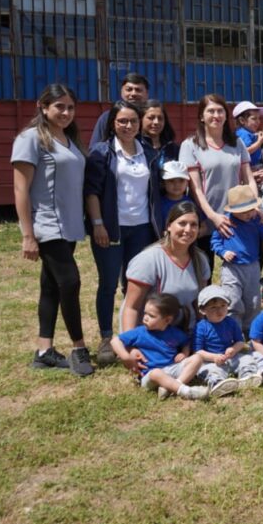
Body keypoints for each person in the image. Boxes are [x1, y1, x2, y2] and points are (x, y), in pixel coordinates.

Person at [11, 83, 93, 376]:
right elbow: (21, 189)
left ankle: (44, 350)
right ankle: (79, 348)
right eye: (59, 106)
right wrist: (28, 235)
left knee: (51, 286)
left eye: (70, 107)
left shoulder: (69, 139)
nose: (66, 112)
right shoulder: (30, 139)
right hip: (47, 226)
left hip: (69, 226)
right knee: (70, 282)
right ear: (43, 107)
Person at [84, 99, 160, 365]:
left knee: (136, 285)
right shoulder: (101, 152)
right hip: (112, 229)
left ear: (140, 124)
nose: (128, 126)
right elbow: (92, 192)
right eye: (122, 121)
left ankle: (134, 333)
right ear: (113, 124)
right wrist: (98, 224)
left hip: (142, 230)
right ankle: (106, 337)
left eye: (133, 121)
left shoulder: (148, 152)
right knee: (107, 284)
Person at [179, 93, 255, 272]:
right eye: (210, 111)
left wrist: (253, 206)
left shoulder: (237, 143)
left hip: (236, 219)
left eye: (220, 111)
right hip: (205, 220)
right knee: (203, 273)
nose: (216, 115)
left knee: (238, 272)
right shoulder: (190, 145)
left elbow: (249, 178)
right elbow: (195, 188)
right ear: (201, 116)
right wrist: (213, 217)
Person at [121, 201, 211, 335]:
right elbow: (131, 308)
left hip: (186, 333)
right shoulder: (148, 259)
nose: (188, 230)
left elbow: (200, 305)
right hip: (151, 335)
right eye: (182, 223)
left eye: (194, 225)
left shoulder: (200, 260)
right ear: (169, 226)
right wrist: (131, 344)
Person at [111, 293, 208, 400]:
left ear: (167, 320)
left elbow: (186, 343)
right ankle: (186, 391)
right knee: (156, 373)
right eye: (145, 313)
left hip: (171, 368)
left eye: (151, 316)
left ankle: (173, 386)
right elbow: (115, 341)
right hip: (149, 376)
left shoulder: (175, 333)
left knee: (197, 358)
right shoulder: (140, 332)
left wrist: (184, 353)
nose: (145, 318)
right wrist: (126, 357)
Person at [210, 186, 263, 333]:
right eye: (244, 211)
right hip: (231, 268)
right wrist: (223, 252)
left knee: (253, 300)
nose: (249, 214)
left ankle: (250, 328)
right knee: (232, 299)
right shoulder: (225, 221)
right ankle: (234, 327)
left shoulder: (255, 220)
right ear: (233, 210)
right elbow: (215, 242)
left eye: (251, 209)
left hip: (252, 266)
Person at [193, 285, 263, 394]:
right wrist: (213, 357)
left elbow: (240, 341)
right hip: (211, 361)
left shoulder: (230, 322)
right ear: (203, 310)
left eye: (223, 305)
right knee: (207, 370)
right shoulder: (201, 327)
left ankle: (248, 375)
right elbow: (198, 352)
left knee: (246, 359)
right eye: (213, 307)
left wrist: (233, 349)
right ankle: (217, 383)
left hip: (231, 357)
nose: (219, 310)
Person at [88, 72, 149, 151]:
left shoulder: (152, 118)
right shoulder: (108, 117)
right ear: (122, 92)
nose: (133, 93)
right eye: (129, 89)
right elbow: (95, 149)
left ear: (146, 93)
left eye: (138, 90)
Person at [158, 160, 199, 233]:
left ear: (187, 182)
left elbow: (203, 226)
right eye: (171, 181)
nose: (177, 185)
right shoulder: (158, 204)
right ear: (163, 183)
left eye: (181, 180)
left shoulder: (192, 204)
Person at [140, 99, 179, 172]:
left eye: (160, 118)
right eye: (151, 118)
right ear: (141, 119)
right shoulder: (136, 146)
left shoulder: (173, 149)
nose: (156, 122)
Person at [233, 101, 263, 170]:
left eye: (259, 118)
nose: (258, 121)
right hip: (251, 168)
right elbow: (246, 151)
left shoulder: (247, 133)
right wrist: (259, 142)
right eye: (254, 118)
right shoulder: (243, 133)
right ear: (242, 120)